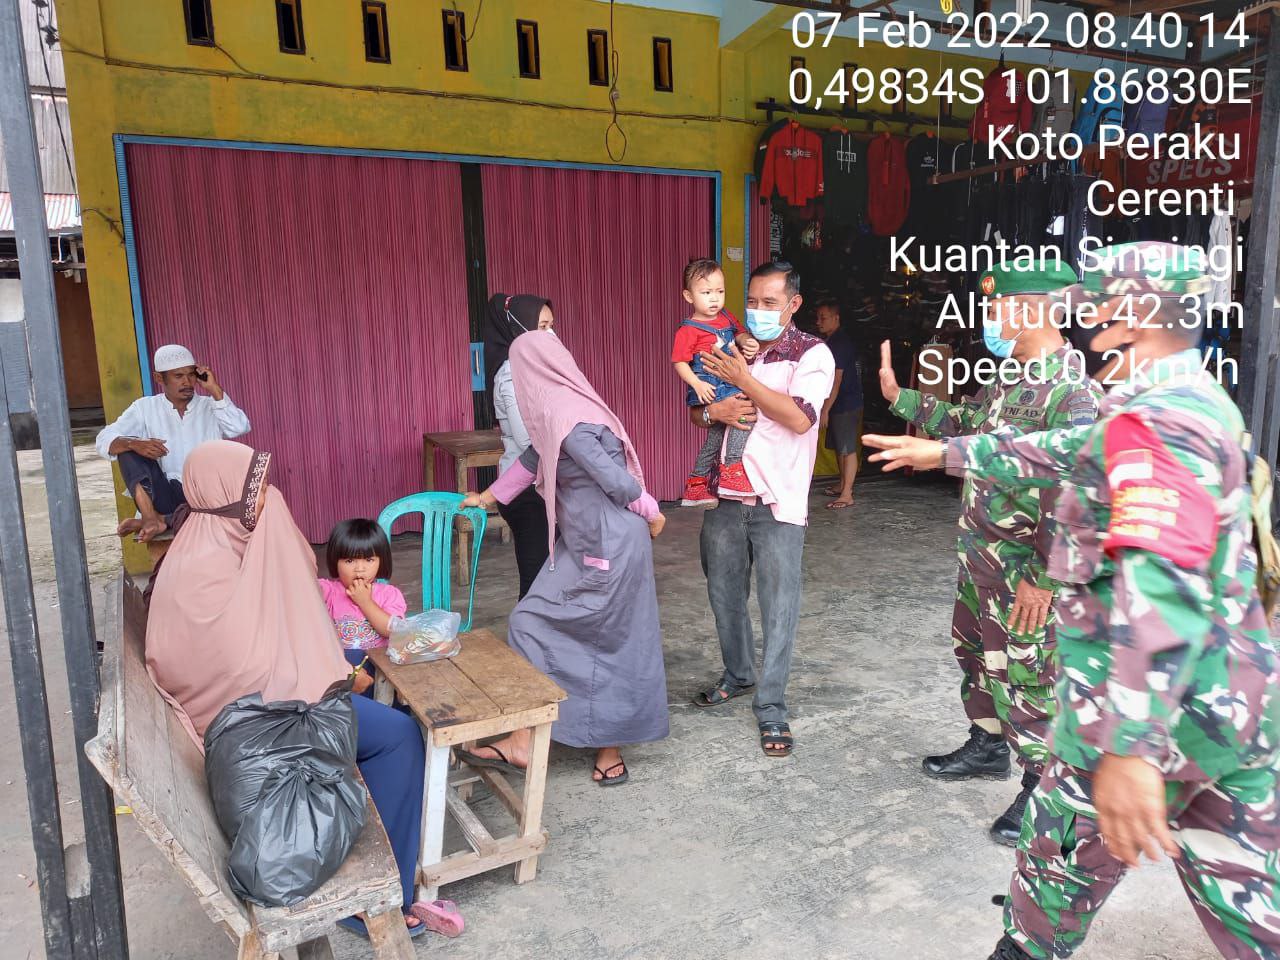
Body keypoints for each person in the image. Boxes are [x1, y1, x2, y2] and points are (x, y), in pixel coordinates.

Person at [864, 243, 1280, 960]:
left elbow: (1159, 591)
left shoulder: (1159, 426)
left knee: (1043, 907)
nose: (1088, 317)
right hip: (1228, 713)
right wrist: (951, 454)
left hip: (1143, 724)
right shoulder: (1180, 402)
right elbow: (1067, 445)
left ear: (1135, 317)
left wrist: (1127, 749)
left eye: (1102, 303)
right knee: (1259, 917)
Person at [145, 440, 460, 939]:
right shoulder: (239, 564)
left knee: (364, 703)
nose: (265, 500)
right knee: (400, 735)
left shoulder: (190, 553)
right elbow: (268, 673)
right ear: (232, 499)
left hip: (232, 726)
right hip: (262, 735)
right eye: (256, 491)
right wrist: (332, 677)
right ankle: (379, 900)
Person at [879, 260, 1101, 844]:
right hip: (982, 556)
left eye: (999, 306)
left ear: (1030, 309)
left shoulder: (1072, 392)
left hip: (1025, 568)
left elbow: (1077, 491)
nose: (991, 317)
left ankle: (1042, 793)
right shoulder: (1010, 376)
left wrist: (1045, 577)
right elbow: (973, 425)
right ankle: (987, 746)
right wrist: (905, 402)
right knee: (977, 658)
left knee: (1027, 679)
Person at [459, 331, 669, 785]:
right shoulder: (564, 411)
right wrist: (488, 497)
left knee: (603, 638)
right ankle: (529, 739)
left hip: (609, 547)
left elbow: (618, 482)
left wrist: (652, 513)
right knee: (541, 624)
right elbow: (533, 460)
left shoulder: (569, 422)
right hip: (585, 545)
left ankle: (599, 746)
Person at [689, 261, 835, 758]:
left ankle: (771, 707)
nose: (757, 311)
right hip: (725, 498)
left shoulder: (812, 355)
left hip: (778, 503)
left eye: (769, 303)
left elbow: (799, 419)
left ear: (793, 304)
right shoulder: (727, 343)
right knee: (724, 596)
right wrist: (714, 410)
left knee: (779, 611)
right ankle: (739, 674)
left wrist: (743, 381)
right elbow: (696, 405)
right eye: (751, 301)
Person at [96, 344, 250, 542]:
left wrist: (214, 389)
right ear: (160, 378)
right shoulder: (145, 408)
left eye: (191, 375)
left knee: (219, 512)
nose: (187, 382)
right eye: (178, 376)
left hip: (204, 497)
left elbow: (240, 426)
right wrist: (133, 444)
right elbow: (103, 439)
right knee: (126, 449)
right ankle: (151, 517)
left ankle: (162, 520)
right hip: (165, 496)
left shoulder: (211, 405)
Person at [673, 258, 760, 506]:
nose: (714, 298)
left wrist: (746, 342)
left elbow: (739, 332)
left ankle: (696, 483)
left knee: (716, 435)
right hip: (711, 383)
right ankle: (732, 469)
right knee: (745, 417)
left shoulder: (725, 316)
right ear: (688, 296)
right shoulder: (687, 330)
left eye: (719, 292)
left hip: (729, 377)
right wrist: (697, 385)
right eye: (706, 292)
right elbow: (679, 361)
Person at [484, 293, 554, 598]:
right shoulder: (512, 375)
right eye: (541, 326)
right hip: (526, 492)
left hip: (541, 484)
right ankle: (527, 641)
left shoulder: (533, 368)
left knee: (550, 574)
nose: (550, 334)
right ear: (518, 328)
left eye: (552, 325)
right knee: (537, 578)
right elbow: (532, 440)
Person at [319, 518, 407, 678]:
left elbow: (392, 632)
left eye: (369, 560)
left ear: (381, 561)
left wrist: (365, 602)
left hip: (379, 670)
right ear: (335, 562)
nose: (360, 569)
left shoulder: (389, 594)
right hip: (341, 671)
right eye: (349, 560)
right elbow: (299, 585)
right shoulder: (328, 591)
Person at [814, 298, 863, 510]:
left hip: (846, 403)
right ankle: (842, 484)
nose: (818, 322)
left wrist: (825, 409)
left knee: (847, 448)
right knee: (839, 447)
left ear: (836, 318)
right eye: (817, 318)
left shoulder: (840, 343)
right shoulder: (831, 342)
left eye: (823, 318)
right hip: (838, 403)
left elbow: (837, 379)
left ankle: (847, 493)